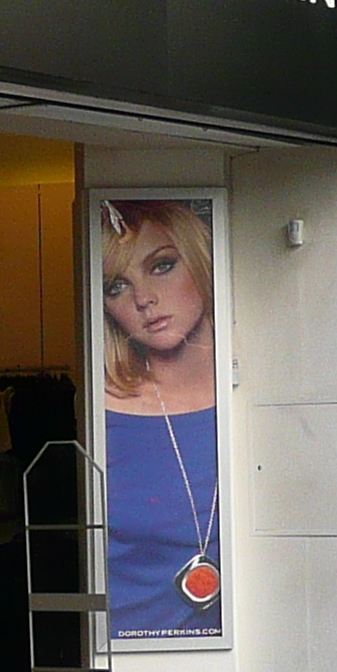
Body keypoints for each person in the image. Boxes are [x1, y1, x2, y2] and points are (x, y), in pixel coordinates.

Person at [99, 199, 223, 638]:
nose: (144, 300)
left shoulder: (258, 395)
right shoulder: (105, 415)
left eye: (162, 265)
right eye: (116, 287)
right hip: (132, 654)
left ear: (200, 260)